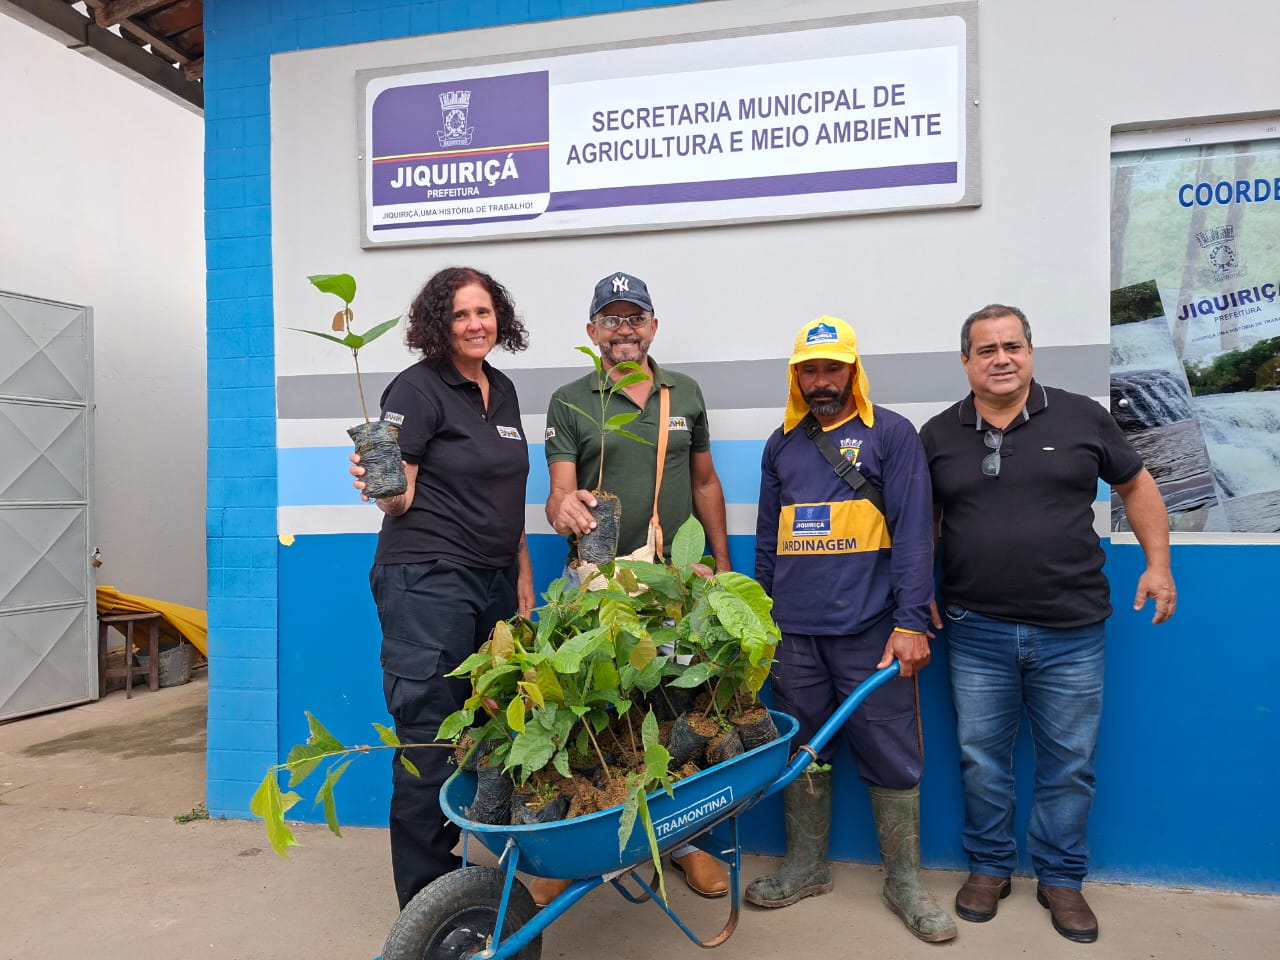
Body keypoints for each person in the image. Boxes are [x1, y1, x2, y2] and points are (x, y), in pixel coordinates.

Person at [919, 304, 1176, 944]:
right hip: (974, 629)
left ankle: (1061, 879)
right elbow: (924, 521)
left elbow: (1139, 486)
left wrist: (1158, 565)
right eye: (986, 350)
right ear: (965, 361)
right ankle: (989, 868)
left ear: (1031, 352)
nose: (1001, 358)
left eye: (1012, 346)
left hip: (1072, 630)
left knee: (1070, 762)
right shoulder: (937, 434)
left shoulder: (1082, 416)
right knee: (982, 759)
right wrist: (915, 593)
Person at [749, 317, 958, 943]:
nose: (821, 381)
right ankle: (807, 868)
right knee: (803, 748)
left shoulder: (891, 435)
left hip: (874, 634)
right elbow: (768, 542)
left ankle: (904, 881)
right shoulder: (780, 444)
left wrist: (910, 620)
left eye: (832, 368)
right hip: (793, 635)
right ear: (796, 376)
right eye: (809, 370)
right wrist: (760, 621)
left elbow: (917, 533)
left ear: (853, 371)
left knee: (892, 751)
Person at [539, 270, 731, 902]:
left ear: (653, 326)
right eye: (611, 318)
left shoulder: (687, 394)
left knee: (675, 703)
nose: (625, 328)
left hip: (675, 591)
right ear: (592, 331)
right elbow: (558, 496)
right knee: (594, 708)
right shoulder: (570, 400)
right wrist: (565, 510)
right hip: (599, 592)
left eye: (635, 316)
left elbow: (705, 483)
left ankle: (683, 842)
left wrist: (722, 572)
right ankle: (575, 843)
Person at [350, 266, 535, 911]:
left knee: (485, 728)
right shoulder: (419, 387)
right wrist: (378, 476)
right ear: (439, 324)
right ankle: (430, 910)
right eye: (461, 315)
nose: (476, 324)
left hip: (491, 583)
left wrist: (521, 583)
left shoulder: (502, 389)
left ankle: (468, 881)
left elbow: (505, 495)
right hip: (428, 580)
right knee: (431, 738)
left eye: (484, 312)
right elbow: (398, 500)